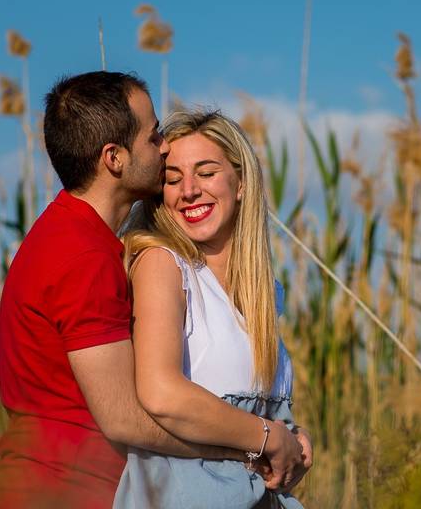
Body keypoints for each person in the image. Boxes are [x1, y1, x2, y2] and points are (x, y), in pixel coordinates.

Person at [0, 72, 307, 508]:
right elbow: (129, 417)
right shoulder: (84, 257)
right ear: (115, 158)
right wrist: (258, 444)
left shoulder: (81, 242)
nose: (162, 147)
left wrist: (275, 436)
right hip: (66, 490)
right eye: (153, 136)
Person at [114, 108, 311, 509]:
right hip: (187, 496)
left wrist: (295, 438)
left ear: (240, 183)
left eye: (206, 173)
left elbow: (258, 406)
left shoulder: (264, 291)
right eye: (172, 179)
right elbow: (160, 392)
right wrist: (269, 436)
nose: (188, 190)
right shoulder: (163, 264)